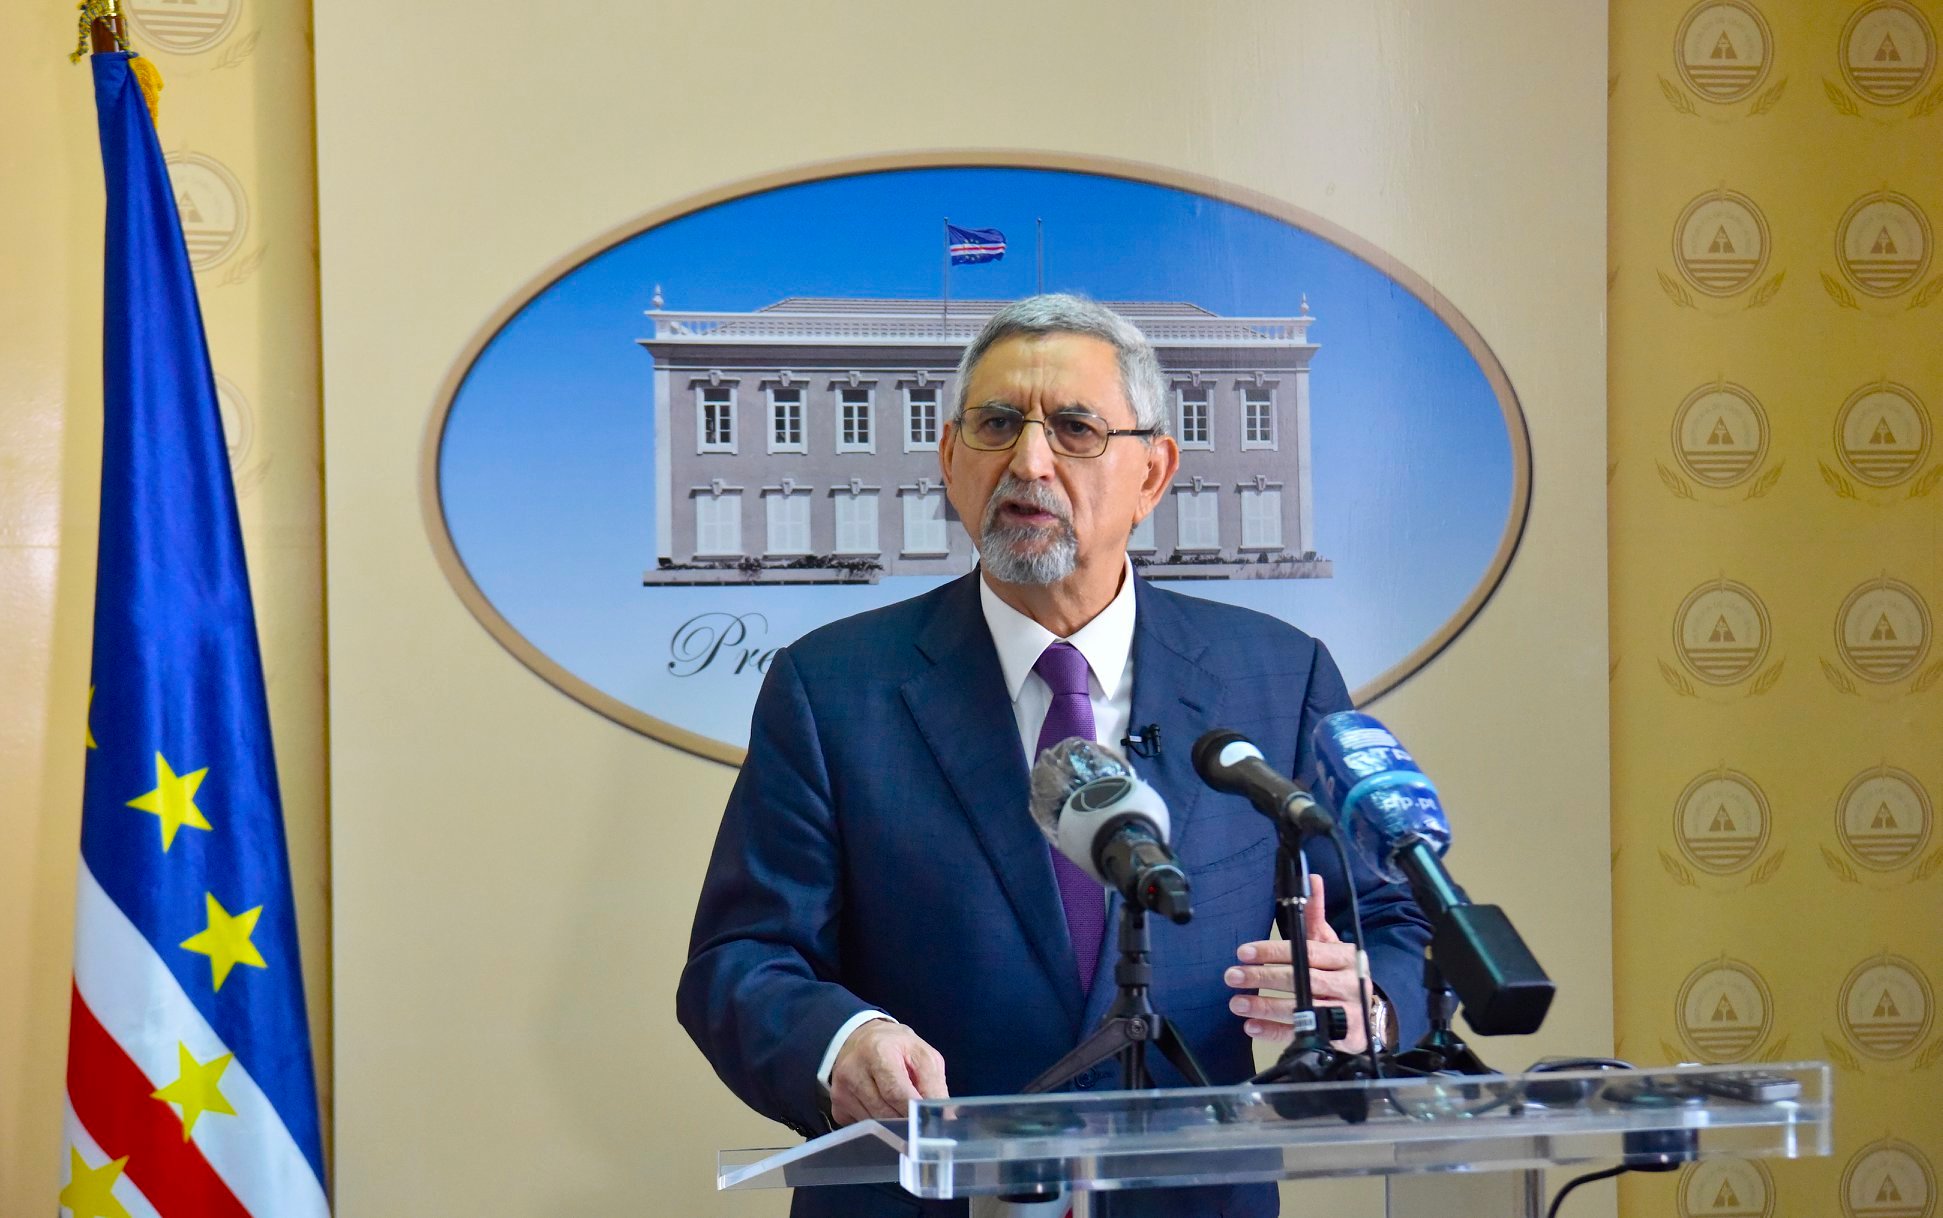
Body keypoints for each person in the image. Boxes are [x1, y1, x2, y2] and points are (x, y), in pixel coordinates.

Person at [677, 295, 1432, 1217]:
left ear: (1153, 472)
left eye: (1075, 429)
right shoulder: (832, 686)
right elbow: (743, 960)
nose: (1028, 462)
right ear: (950, 460)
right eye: (996, 425)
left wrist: (1368, 1004)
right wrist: (843, 1044)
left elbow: (1394, 920)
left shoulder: (1276, 676)